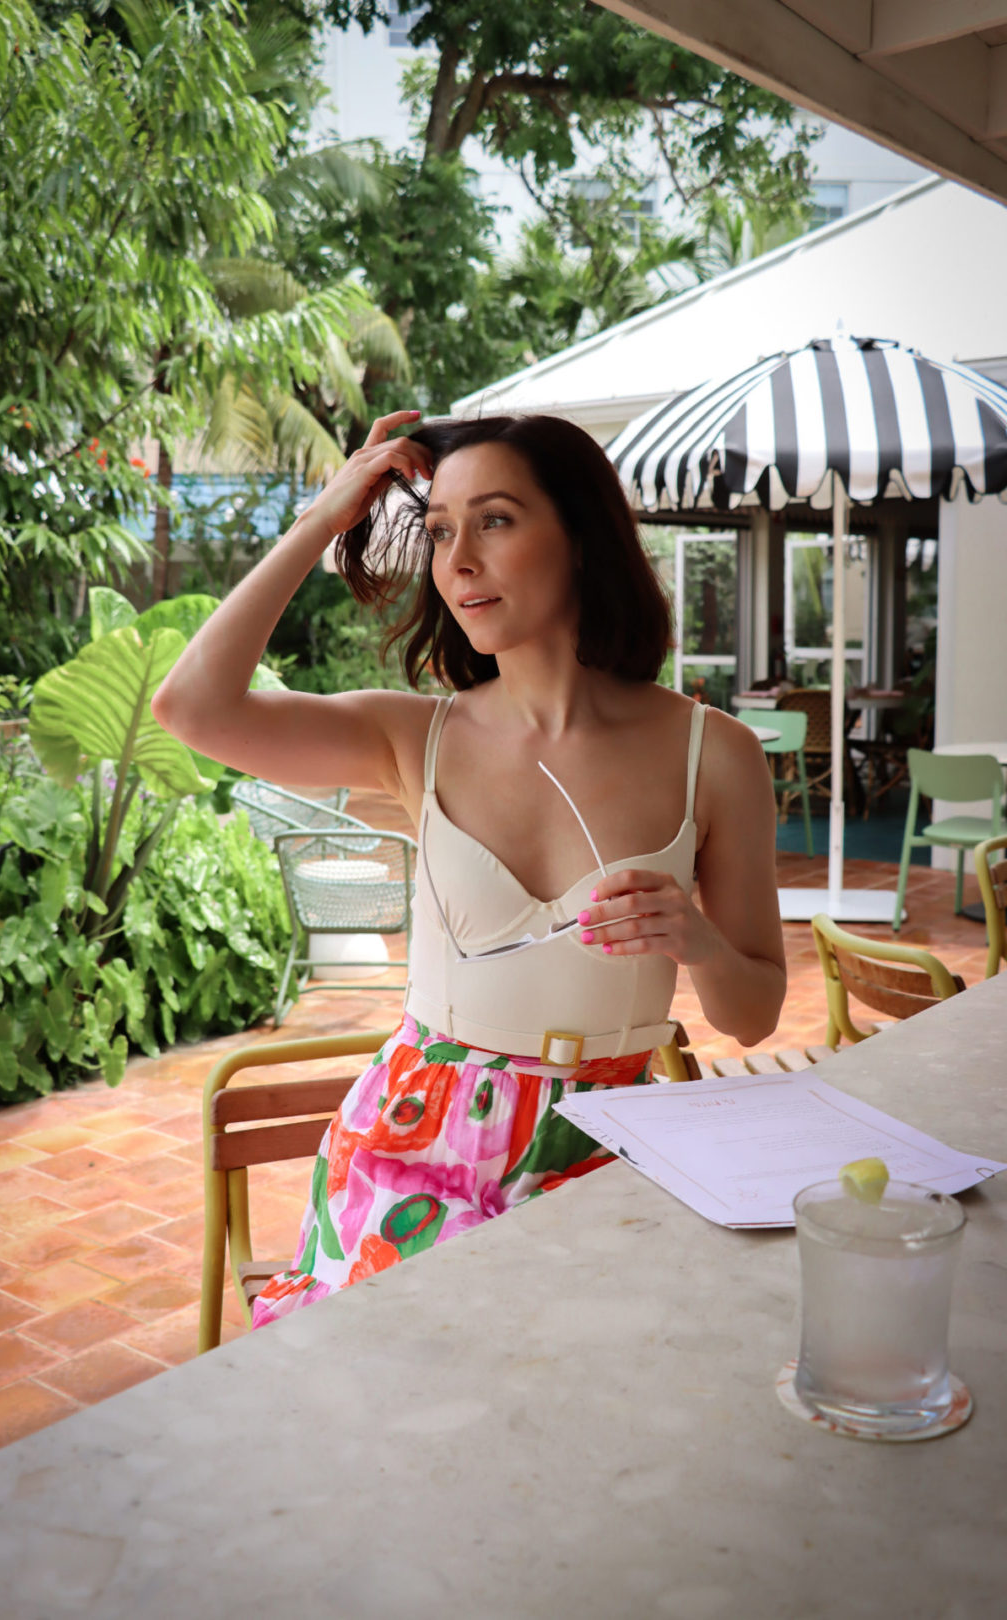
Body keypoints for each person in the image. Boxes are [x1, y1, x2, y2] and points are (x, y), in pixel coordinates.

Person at [151, 411, 785, 1323]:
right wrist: (325, 519)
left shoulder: (711, 755)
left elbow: (755, 1013)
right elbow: (194, 708)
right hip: (409, 1154)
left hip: (603, 1149)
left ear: (579, 534)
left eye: (494, 520)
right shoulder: (414, 735)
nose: (457, 560)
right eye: (440, 530)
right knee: (397, 1414)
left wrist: (699, 945)